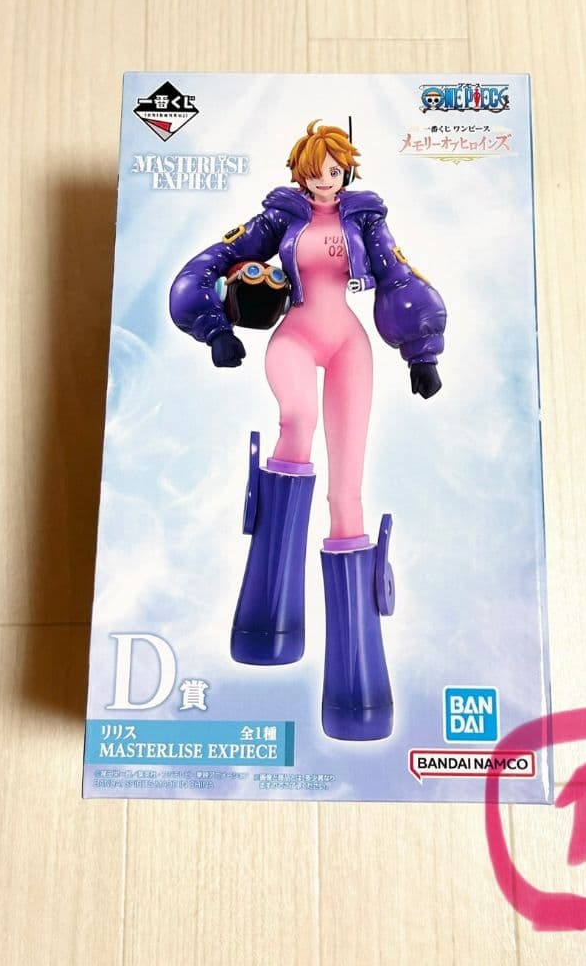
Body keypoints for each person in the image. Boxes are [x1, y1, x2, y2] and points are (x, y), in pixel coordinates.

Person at [170, 120, 447, 740]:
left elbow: (398, 276)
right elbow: (212, 261)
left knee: (348, 497)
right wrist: (214, 327)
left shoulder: (366, 219)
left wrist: (421, 350)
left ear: (347, 170)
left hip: (349, 343)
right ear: (301, 172)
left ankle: (357, 695)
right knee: (295, 422)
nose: (326, 179)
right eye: (316, 170)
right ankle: (266, 626)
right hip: (294, 336)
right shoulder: (280, 216)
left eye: (335, 169)